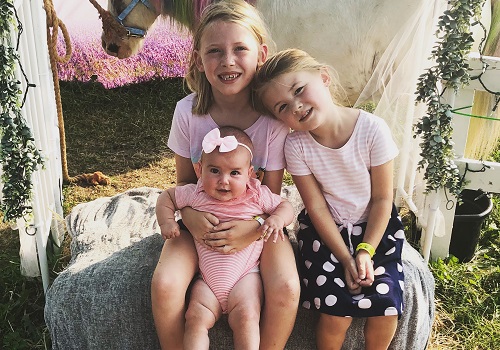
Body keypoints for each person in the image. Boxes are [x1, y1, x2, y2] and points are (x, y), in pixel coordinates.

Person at [150, 1, 300, 349]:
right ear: (199, 60)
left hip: (257, 225)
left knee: (287, 288)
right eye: (215, 51)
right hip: (198, 219)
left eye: (240, 49)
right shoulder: (187, 113)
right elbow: (185, 183)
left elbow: (271, 198)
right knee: (165, 284)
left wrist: (252, 231)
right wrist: (189, 217)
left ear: (261, 54)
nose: (228, 61)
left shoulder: (273, 122)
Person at [254, 48, 406, 350]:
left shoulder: (373, 130)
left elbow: (381, 200)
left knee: (386, 310)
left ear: (323, 77)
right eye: (283, 107)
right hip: (325, 235)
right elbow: (317, 207)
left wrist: (364, 252)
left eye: (299, 90)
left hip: (377, 230)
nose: (296, 106)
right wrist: (345, 257)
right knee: (336, 315)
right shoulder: (296, 146)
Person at [156, 126, 294, 349]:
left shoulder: (256, 194)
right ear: (199, 170)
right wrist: (167, 221)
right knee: (195, 319)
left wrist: (277, 219)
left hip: (246, 277)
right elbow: (167, 197)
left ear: (250, 174)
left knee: (248, 319)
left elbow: (285, 206)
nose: (224, 180)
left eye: (235, 173)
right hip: (207, 281)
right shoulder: (197, 192)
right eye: (215, 171)